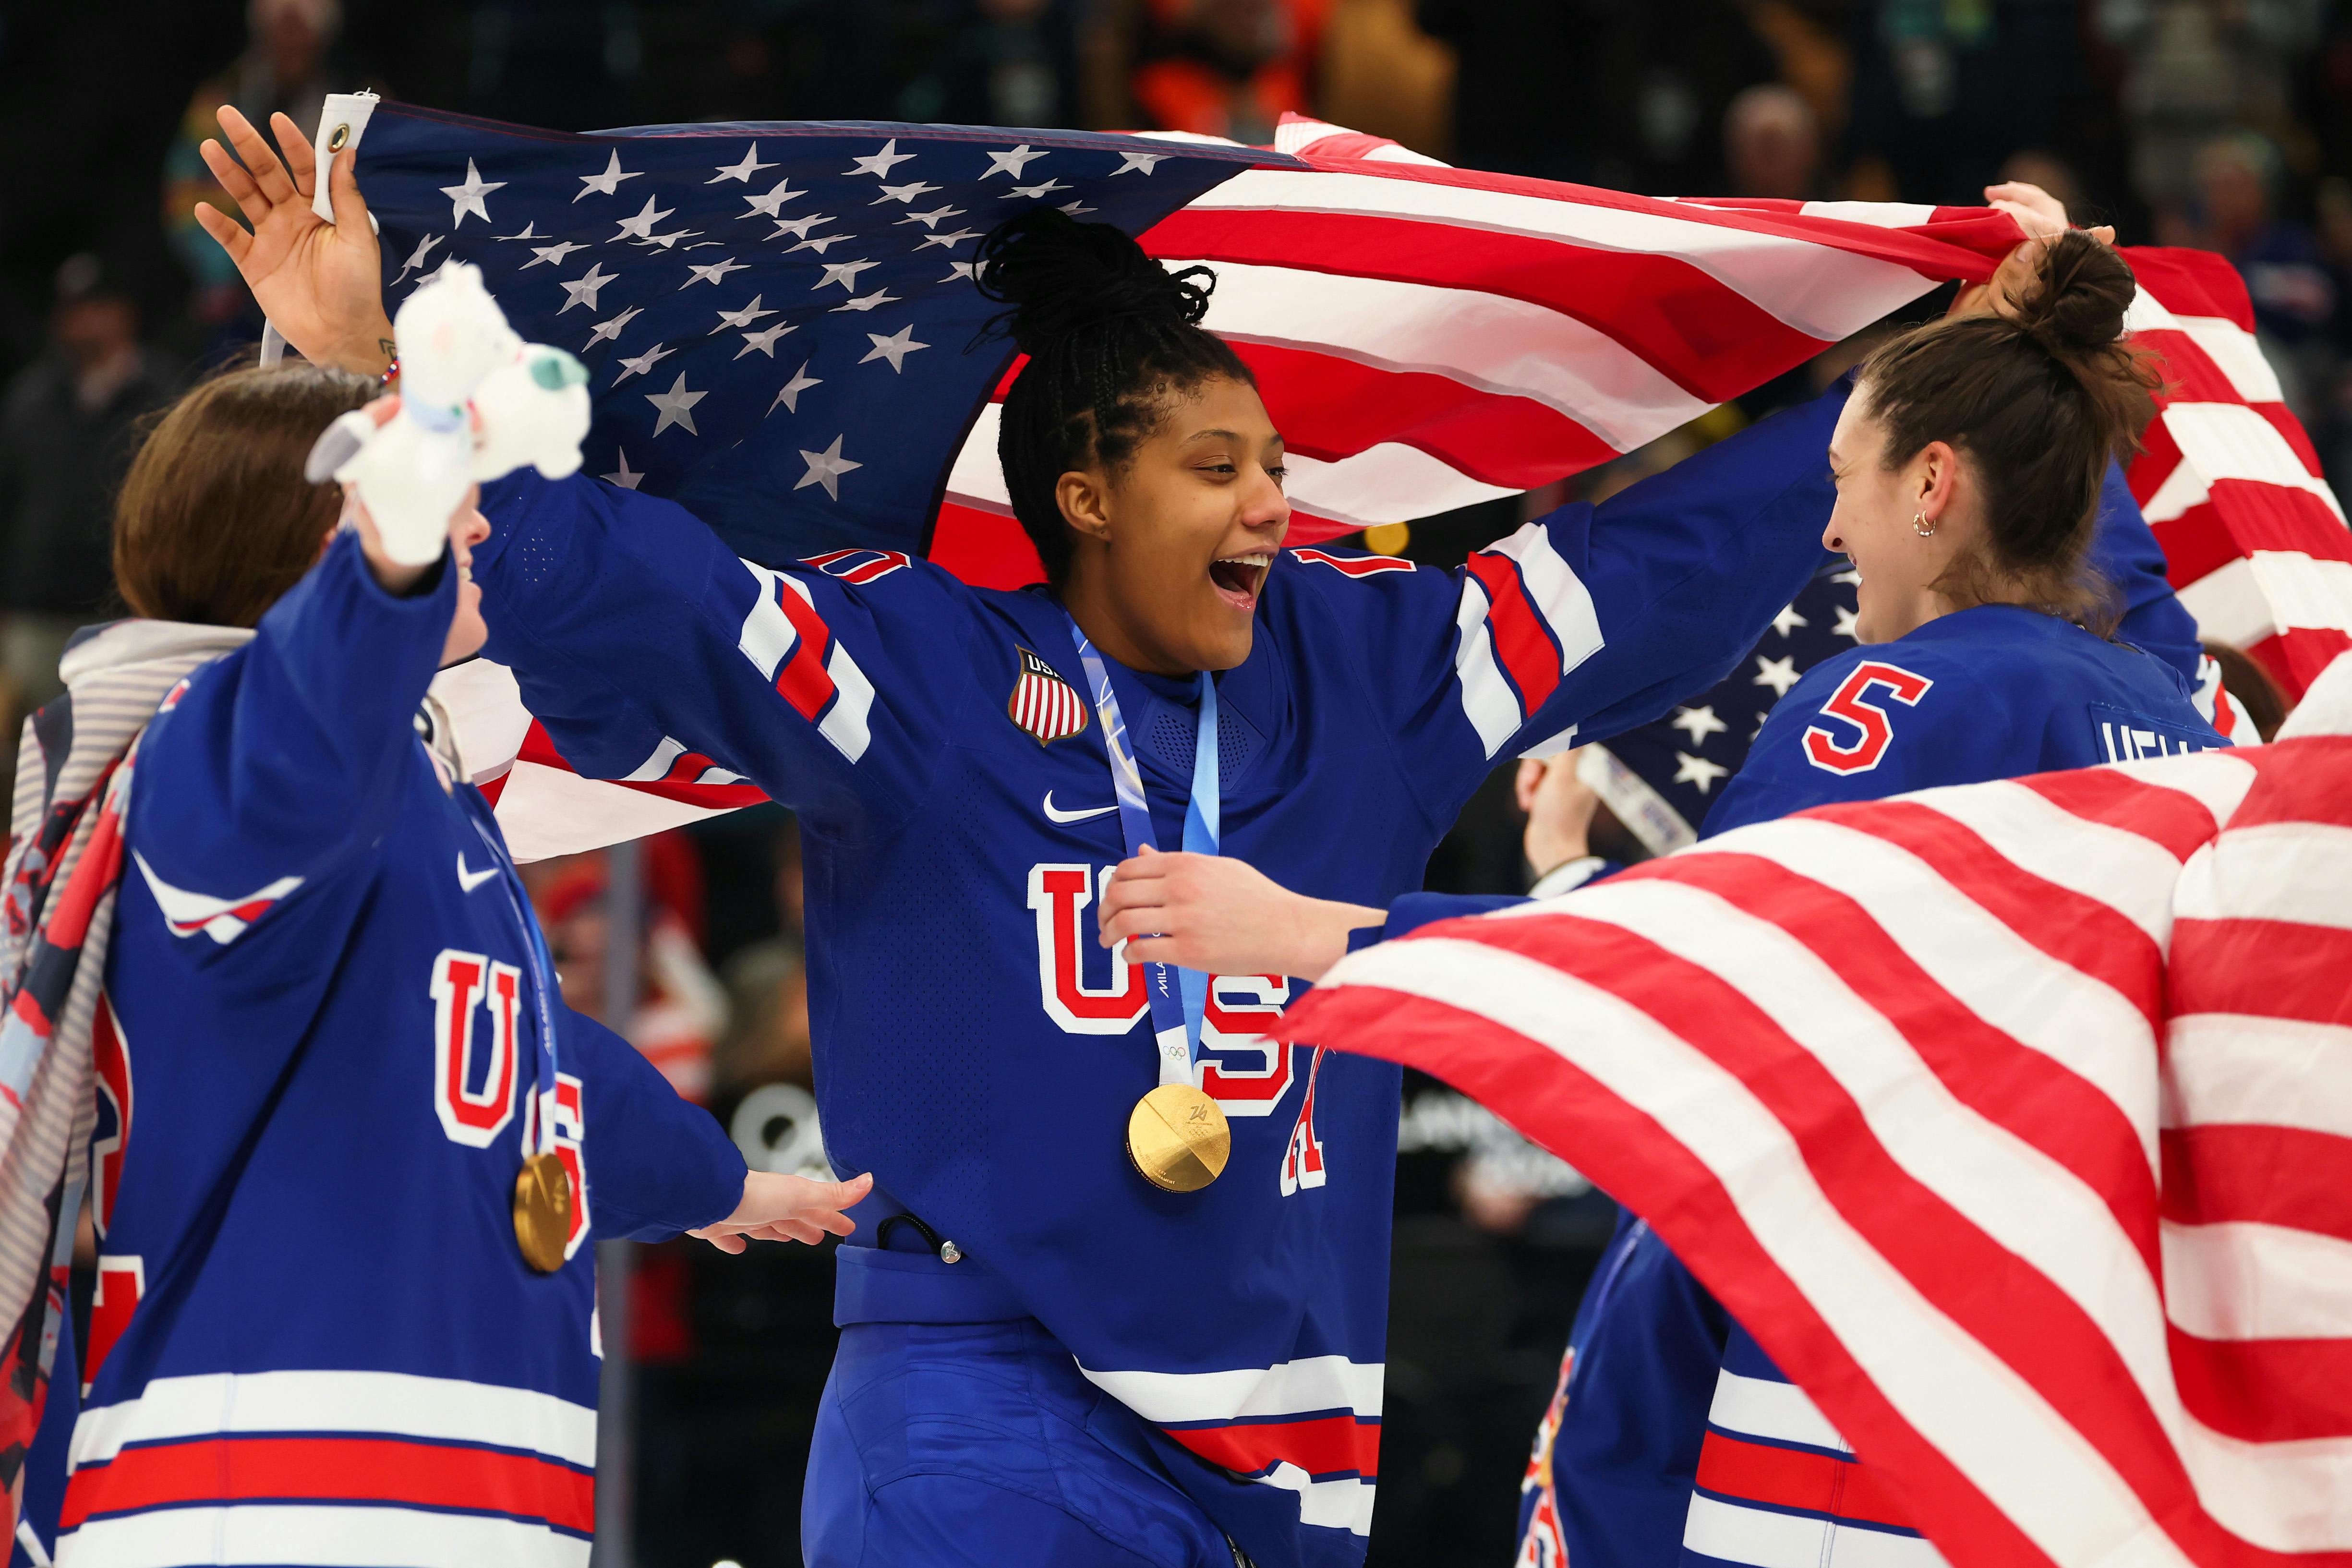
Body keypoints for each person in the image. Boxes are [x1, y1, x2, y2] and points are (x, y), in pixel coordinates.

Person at [213, 104, 1930, 1568]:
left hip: (1290, 1447)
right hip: (981, 1405)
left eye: (1272, 462)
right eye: (1215, 464)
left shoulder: (1371, 662)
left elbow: (1647, 574)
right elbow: (632, 574)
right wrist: (386, 355)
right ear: (1088, 497)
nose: (1271, 498)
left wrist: (1903, 395)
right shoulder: (916, 666)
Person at [1105, 223, 2226, 1568]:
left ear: (1931, 485)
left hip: (1859, 1409)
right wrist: (2048, 324)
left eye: (1839, 480)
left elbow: (1693, 978)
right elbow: (2119, 586)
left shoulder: (1907, 699)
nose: (1824, 526)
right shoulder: (2182, 714)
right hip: (2077, 1400)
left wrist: (1304, 931)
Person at [0, 361, 872, 1565]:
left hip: (440, 1480)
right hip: (266, 1482)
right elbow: (314, 690)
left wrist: (716, 1184)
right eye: (436, 497)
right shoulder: (217, 759)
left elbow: (525, 1062)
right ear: (329, 545)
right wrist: (387, 547)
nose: (473, 520)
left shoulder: (401, 789)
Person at [0, 255, 179, 717]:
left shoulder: (166, 393)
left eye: (96, 308)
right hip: (38, 609)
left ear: (124, 314)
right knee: (28, 752)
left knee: (122, 748)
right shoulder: (30, 397)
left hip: (131, 611)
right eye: (72, 311)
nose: (82, 323)